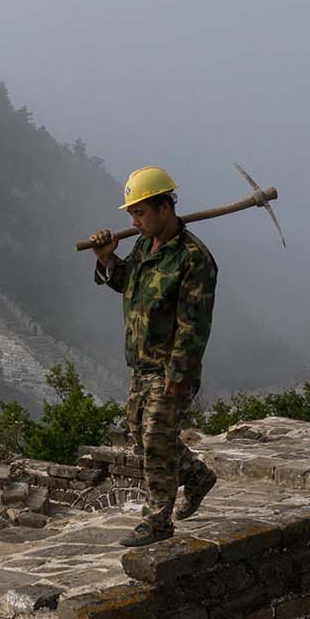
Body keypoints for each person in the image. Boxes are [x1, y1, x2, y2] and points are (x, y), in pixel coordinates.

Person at [87, 165, 219, 548]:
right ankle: (196, 476)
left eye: (140, 212)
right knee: (141, 436)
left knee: (157, 442)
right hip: (141, 365)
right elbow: (128, 283)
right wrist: (107, 259)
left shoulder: (194, 258)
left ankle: (157, 523)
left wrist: (178, 373)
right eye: (132, 214)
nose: (134, 221)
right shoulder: (145, 246)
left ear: (164, 207)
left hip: (170, 369)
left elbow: (194, 324)